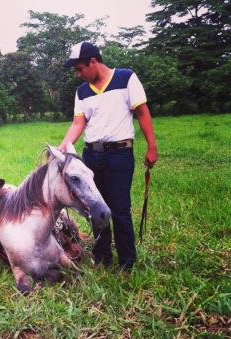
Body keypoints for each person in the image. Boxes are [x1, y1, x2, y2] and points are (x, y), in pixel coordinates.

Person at [59, 42, 158, 272]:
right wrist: (64, 146)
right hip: (91, 155)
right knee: (95, 206)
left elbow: (142, 112)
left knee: (119, 208)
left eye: (80, 68)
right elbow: (78, 123)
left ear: (93, 62)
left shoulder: (126, 78)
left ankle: (127, 262)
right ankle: (102, 257)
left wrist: (152, 147)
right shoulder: (82, 91)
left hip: (120, 155)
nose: (78, 74)